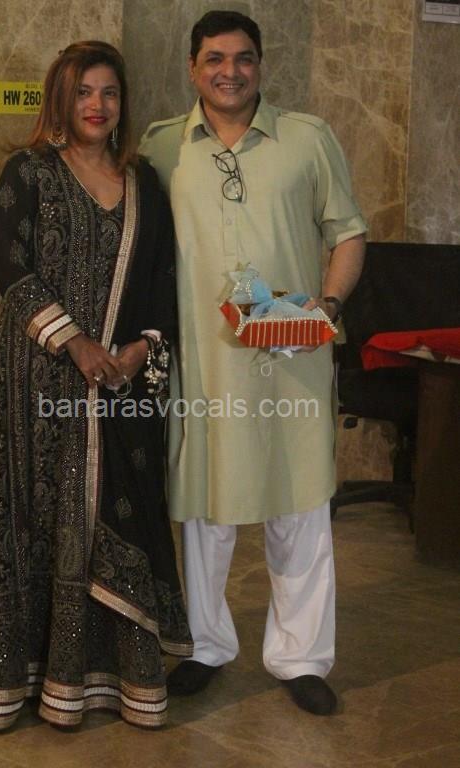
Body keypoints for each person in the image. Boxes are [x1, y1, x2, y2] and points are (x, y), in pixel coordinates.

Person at [0, 40, 192, 732]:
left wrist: (141, 348)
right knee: (35, 521)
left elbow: (163, 277)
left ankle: (110, 679)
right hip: (39, 382)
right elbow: (10, 264)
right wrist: (75, 342)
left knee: (116, 514)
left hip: (119, 385)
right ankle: (19, 679)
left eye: (109, 92)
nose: (97, 105)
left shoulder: (143, 181)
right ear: (61, 98)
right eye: (83, 91)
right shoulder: (28, 172)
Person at [140, 11, 366, 716]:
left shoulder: (307, 138)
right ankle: (205, 646)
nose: (229, 71)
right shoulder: (161, 148)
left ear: (260, 65)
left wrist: (329, 304)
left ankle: (301, 657)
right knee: (204, 508)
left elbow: (348, 232)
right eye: (214, 58)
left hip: (292, 358)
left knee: (299, 504)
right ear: (192, 67)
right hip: (203, 364)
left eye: (243, 58)